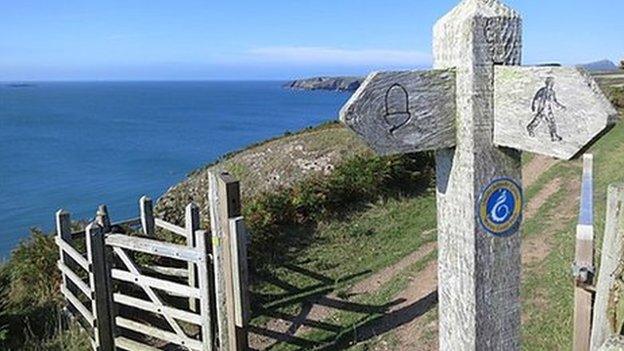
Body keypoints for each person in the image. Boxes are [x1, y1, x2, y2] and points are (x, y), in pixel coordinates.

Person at [526, 77, 566, 142]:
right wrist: (533, 105)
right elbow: (536, 98)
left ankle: (553, 135)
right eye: (551, 83)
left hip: (546, 108)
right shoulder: (542, 90)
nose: (552, 84)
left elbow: (554, 101)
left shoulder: (552, 92)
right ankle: (553, 135)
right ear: (547, 83)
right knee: (545, 121)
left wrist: (561, 106)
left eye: (552, 83)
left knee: (546, 121)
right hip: (543, 108)